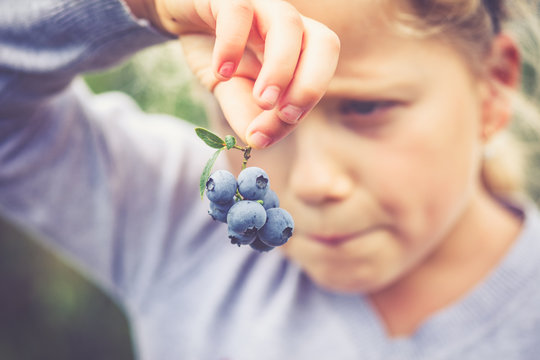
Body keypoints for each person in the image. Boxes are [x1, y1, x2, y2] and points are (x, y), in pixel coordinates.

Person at [1, 0, 540, 359]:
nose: (312, 182)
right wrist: (144, 6)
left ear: (492, 87)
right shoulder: (177, 222)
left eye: (366, 107)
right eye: (256, 116)